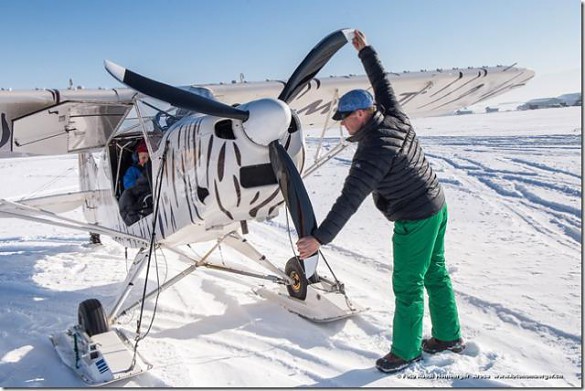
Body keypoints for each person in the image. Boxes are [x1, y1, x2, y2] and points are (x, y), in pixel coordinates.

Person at [296, 30, 464, 374]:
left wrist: (319, 239)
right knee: (435, 272)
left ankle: (405, 351)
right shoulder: (392, 114)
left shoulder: (373, 150)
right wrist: (366, 51)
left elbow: (350, 199)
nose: (342, 125)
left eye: (344, 118)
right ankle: (448, 336)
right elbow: (382, 82)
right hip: (436, 204)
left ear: (360, 114)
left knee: (408, 283)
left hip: (416, 217)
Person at [119, 140, 153, 225]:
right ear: (137, 157)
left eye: (149, 158)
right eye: (143, 158)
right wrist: (143, 181)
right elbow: (128, 185)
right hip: (139, 198)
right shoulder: (133, 170)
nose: (146, 161)